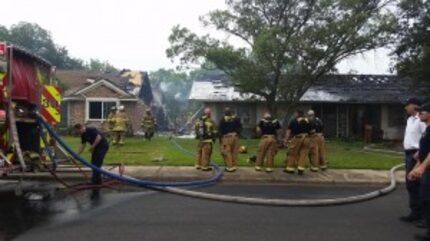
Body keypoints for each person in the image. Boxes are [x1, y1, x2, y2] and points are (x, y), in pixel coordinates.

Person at [401, 97, 427, 225]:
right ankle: (414, 212)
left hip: (417, 155)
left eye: (407, 105)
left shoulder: (421, 120)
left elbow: (426, 137)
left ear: (414, 106)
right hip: (408, 154)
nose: (405, 107)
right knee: (410, 184)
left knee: (420, 185)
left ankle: (423, 216)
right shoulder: (410, 120)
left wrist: (419, 151)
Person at [408, 103, 430, 241]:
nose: (419, 115)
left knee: (427, 199)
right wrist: (417, 167)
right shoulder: (427, 130)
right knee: (425, 198)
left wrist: (421, 168)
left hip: (429, 169)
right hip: (426, 167)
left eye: (422, 113)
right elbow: (424, 152)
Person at [284, 110, 311, 175]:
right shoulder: (308, 121)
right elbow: (312, 131)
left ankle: (290, 169)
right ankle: (300, 169)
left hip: (298, 138)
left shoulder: (294, 121)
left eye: (295, 113)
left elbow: (289, 131)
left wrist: (286, 139)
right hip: (307, 138)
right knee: (303, 154)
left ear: (297, 114)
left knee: (292, 153)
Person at [218, 108, 242, 172]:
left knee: (226, 152)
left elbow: (220, 130)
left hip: (227, 137)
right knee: (234, 152)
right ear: (231, 113)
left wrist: (220, 140)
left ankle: (229, 167)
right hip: (235, 137)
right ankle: (234, 166)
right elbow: (240, 127)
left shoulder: (223, 119)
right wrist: (237, 133)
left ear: (224, 113)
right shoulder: (236, 119)